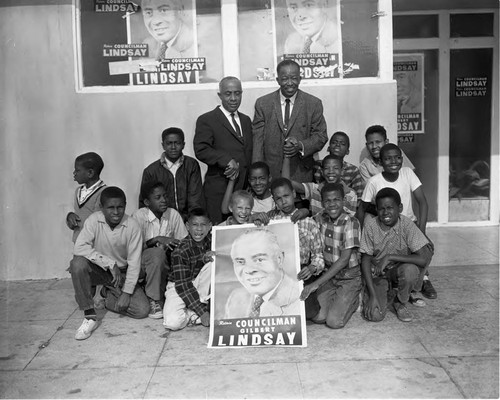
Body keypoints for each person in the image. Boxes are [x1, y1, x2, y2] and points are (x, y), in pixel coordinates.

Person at [69, 187, 149, 340]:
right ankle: (90, 315)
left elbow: (134, 263)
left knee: (142, 310)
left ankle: (106, 295)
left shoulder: (132, 226)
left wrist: (126, 293)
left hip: (121, 273)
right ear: (101, 208)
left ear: (125, 205)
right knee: (77, 264)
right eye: (110, 208)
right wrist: (108, 263)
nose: (116, 212)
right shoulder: (93, 220)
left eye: (120, 207)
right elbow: (79, 247)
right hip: (101, 269)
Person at [358, 143, 436, 300]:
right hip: (386, 226)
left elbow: (422, 202)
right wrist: (359, 233)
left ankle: (418, 283)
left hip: (409, 225)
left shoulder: (407, 173)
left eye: (397, 158)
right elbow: (362, 208)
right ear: (381, 161)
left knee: (426, 248)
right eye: (388, 159)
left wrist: (421, 230)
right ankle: (390, 280)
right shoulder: (374, 181)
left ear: (402, 159)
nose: (393, 162)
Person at [360, 188, 433, 323]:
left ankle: (400, 301)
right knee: (375, 316)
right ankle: (382, 292)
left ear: (400, 208)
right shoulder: (370, 226)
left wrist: (389, 257)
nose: (386, 212)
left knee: (410, 269)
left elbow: (423, 259)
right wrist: (372, 295)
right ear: (376, 209)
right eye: (381, 209)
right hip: (378, 274)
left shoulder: (406, 224)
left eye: (390, 208)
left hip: (398, 271)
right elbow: (365, 259)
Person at [252, 59, 328, 183]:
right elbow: (257, 141)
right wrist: (256, 173)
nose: (289, 83)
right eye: (285, 78)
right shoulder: (263, 103)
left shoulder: (313, 103)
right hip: (271, 174)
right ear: (277, 80)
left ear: (300, 79)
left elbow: (321, 136)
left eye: (293, 78)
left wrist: (301, 146)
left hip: (300, 173)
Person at [300, 183, 362, 329]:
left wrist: (316, 283)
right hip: (329, 275)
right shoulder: (320, 218)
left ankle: (354, 298)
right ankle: (338, 298)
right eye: (327, 201)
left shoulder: (351, 223)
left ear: (344, 201)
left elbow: (343, 260)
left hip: (348, 276)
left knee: (334, 322)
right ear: (322, 203)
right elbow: (306, 221)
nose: (332, 204)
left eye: (336, 200)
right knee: (318, 317)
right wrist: (303, 211)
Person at [194, 76, 253, 224]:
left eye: (237, 93)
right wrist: (226, 159)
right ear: (220, 95)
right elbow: (201, 149)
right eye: (228, 94)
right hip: (218, 190)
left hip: (243, 190)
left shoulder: (246, 120)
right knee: (219, 232)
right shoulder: (207, 119)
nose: (233, 98)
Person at [266, 177, 325, 319]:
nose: (283, 201)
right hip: (277, 272)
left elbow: (318, 256)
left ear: (294, 194)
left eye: (286, 196)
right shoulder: (271, 221)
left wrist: (312, 268)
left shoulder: (308, 222)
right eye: (278, 198)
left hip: (301, 271)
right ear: (274, 200)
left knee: (309, 313)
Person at [132, 182, 188, 319]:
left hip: (164, 265)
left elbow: (184, 241)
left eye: (165, 196)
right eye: (158, 197)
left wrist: (172, 245)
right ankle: (154, 299)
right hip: (142, 264)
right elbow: (134, 249)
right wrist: (157, 239)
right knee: (157, 253)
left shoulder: (172, 214)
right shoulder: (139, 216)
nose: (163, 200)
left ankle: (161, 290)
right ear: (147, 202)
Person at [224, 229, 301, 318]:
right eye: (240, 262)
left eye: (259, 260)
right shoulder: (236, 297)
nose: (249, 270)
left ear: (279, 258)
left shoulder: (297, 297)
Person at [163, 208, 214, 330]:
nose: (199, 229)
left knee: (214, 261)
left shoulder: (213, 240)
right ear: (187, 226)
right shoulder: (180, 250)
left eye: (203, 225)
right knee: (172, 323)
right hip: (178, 286)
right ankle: (196, 311)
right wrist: (202, 312)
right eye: (195, 225)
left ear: (210, 226)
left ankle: (194, 308)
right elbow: (183, 286)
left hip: (199, 284)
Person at [139, 127, 203, 221]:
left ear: (183, 145)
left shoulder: (191, 165)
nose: (173, 147)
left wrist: (191, 221)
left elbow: (195, 199)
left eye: (177, 143)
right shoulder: (151, 171)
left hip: (188, 220)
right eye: (169, 143)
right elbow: (145, 203)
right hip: (162, 221)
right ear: (163, 145)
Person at [285, 155, 357, 216]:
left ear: (342, 171)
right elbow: (286, 182)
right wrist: (287, 156)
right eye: (326, 168)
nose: (331, 171)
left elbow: (350, 220)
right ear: (322, 172)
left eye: (335, 168)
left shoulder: (351, 194)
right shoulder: (314, 189)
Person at [66, 152, 106, 243]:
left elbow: (98, 221)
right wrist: (70, 217)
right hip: (78, 242)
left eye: (77, 170)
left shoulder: (103, 193)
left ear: (90, 173)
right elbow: (78, 212)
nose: (74, 173)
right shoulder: (78, 191)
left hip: (94, 244)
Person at [327, 131, 364, 200]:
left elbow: (359, 197)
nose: (337, 145)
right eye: (334, 142)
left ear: (347, 151)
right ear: (328, 148)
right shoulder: (318, 166)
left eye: (342, 144)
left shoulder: (353, 170)